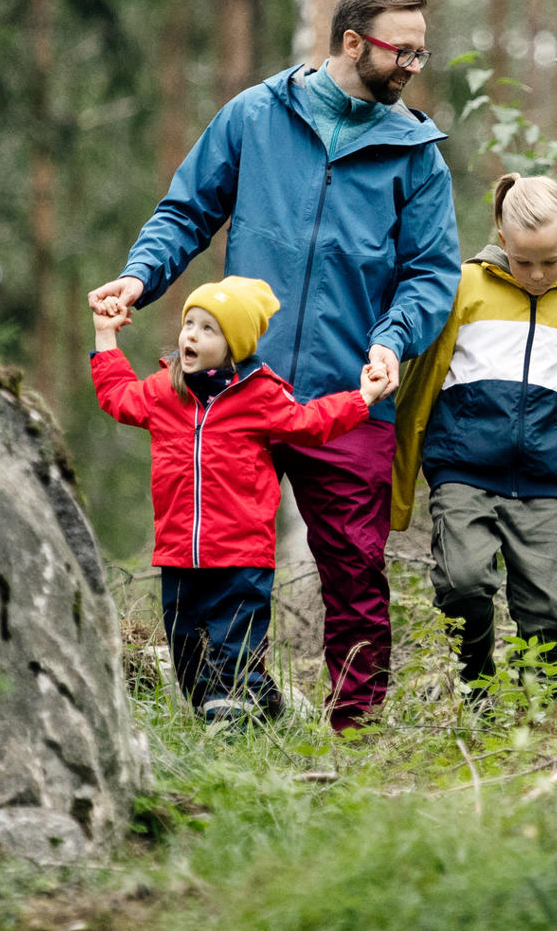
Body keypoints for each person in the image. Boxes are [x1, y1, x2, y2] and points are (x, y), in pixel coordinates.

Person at [87, 0, 462, 730]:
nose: (414, 65)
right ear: (353, 42)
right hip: (235, 393)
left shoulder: (417, 155)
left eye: (423, 52)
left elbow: (431, 273)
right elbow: (187, 211)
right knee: (212, 569)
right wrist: (138, 278)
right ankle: (234, 714)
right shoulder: (255, 117)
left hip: (346, 397)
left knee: (355, 572)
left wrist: (391, 342)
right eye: (403, 50)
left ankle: (358, 732)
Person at [90, 276, 393, 725]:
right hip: (179, 556)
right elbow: (116, 396)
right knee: (188, 660)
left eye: (208, 329)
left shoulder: (261, 395)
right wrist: (105, 335)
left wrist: (362, 399)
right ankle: (260, 705)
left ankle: (234, 731)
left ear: (234, 346)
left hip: (240, 560)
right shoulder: (163, 391)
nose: (190, 334)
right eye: (189, 323)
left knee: (233, 654)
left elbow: (310, 423)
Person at [393, 174, 557, 688]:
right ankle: (478, 682)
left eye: (550, 261)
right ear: (500, 235)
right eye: (523, 261)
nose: (536, 274)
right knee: (464, 582)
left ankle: (553, 710)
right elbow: (422, 371)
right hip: (462, 471)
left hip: (540, 481)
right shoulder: (464, 286)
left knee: (547, 612)